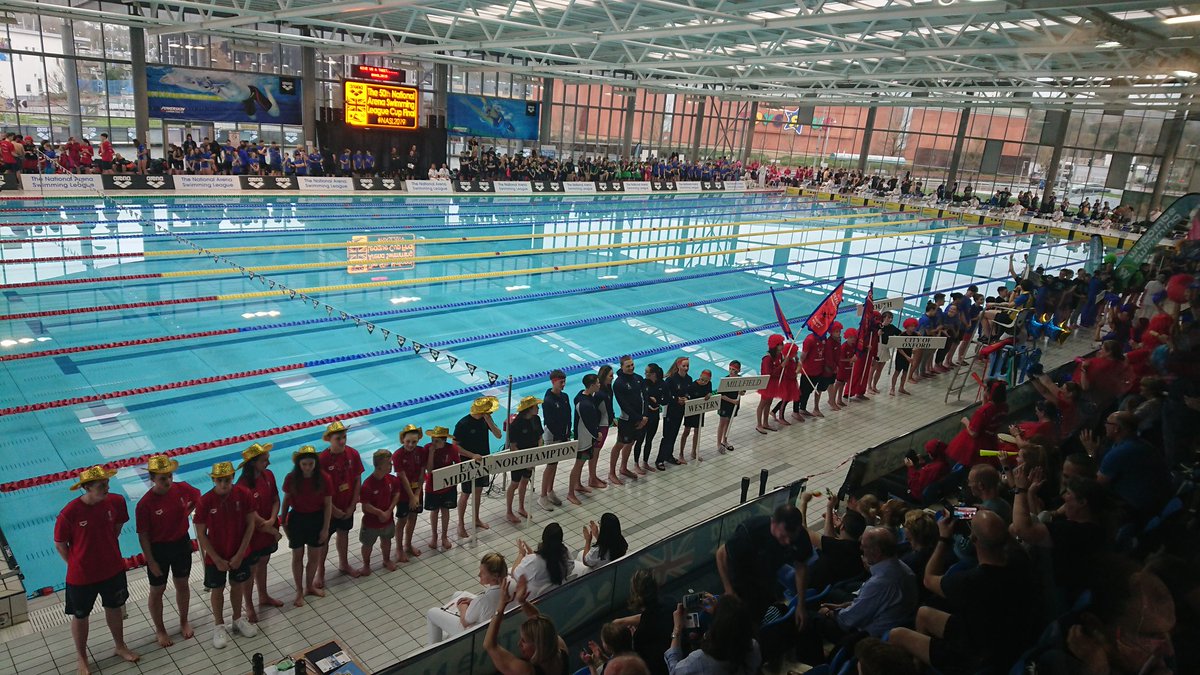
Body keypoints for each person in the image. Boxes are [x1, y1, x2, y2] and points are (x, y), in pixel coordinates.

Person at [888, 510, 1038, 673]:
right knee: (923, 613)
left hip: (977, 655)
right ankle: (921, 666)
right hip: (1003, 636)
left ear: (973, 539)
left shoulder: (969, 582)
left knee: (896, 635)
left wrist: (943, 538)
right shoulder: (1020, 560)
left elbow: (928, 579)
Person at [56, 466, 139, 674]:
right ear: (86, 488)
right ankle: (82, 658)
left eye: (107, 484)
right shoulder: (70, 513)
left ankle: (120, 646)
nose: (107, 488)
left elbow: (117, 528)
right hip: (81, 577)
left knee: (114, 607)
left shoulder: (117, 502)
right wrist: (75, 563)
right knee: (80, 615)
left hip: (112, 569)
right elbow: (60, 544)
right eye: (102, 486)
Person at [801, 528, 917, 663]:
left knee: (807, 617)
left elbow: (847, 621)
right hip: (887, 620)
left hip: (867, 636)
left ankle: (817, 663)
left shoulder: (880, 583)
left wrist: (829, 613)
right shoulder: (904, 569)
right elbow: (873, 604)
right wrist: (843, 605)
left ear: (877, 552)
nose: (861, 548)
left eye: (864, 546)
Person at [136, 455, 200, 647]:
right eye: (162, 478)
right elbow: (143, 536)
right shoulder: (145, 504)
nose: (168, 481)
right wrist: (151, 560)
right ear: (152, 479)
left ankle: (183, 621)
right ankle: (160, 629)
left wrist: (187, 512)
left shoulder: (181, 489)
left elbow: (197, 497)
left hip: (181, 544)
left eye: (170, 476)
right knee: (157, 590)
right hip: (159, 550)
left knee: (182, 584)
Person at [194, 461, 259, 649]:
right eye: (220, 480)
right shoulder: (205, 501)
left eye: (228, 480)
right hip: (216, 555)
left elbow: (250, 526)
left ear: (232, 478)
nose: (224, 484)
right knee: (217, 590)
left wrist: (240, 554)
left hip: (239, 552)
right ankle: (218, 625)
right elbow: (200, 534)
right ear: (214, 480)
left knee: (237, 585)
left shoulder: (243, 495)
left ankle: (238, 619)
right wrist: (216, 558)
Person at [716, 504, 811, 626]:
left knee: (753, 623)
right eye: (783, 536)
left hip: (764, 588)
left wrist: (800, 604)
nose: (787, 542)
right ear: (773, 523)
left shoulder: (799, 536)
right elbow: (721, 554)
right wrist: (729, 590)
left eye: (791, 538)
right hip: (738, 584)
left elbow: (801, 567)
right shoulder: (751, 531)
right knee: (730, 623)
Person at [236, 442, 285, 621]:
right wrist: (268, 526)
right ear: (253, 463)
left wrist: (272, 519)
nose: (268, 463)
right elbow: (250, 514)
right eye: (264, 460)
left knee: (264, 562)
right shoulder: (242, 486)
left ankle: (263, 595)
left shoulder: (268, 475)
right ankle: (249, 605)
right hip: (252, 533)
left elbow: (275, 499)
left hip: (267, 528)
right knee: (250, 569)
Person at [483, 576, 570, 675]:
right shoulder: (561, 650)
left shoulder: (526, 671)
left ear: (538, 645)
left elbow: (489, 645)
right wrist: (522, 601)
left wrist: (501, 605)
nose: (519, 644)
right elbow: (538, 620)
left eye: (524, 641)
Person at [1092, 411, 1171, 520]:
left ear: (1116, 428)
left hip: (1136, 508)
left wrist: (1090, 454)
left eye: (1108, 423)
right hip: (1156, 501)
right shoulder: (1141, 444)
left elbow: (1095, 485)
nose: (1105, 425)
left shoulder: (1121, 452)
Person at [282, 446, 333, 607]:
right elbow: (286, 500)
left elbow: (328, 505)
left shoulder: (324, 478)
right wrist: (283, 521)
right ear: (299, 464)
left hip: (316, 519)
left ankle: (309, 586)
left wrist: (325, 528)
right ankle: (299, 591)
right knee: (297, 557)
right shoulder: (291, 478)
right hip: (297, 519)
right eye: (304, 464)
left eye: (311, 464)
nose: (307, 467)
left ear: (315, 463)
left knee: (313, 557)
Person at [665, 594, 761, 675]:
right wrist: (718, 611)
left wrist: (677, 629)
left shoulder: (698, 660)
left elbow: (674, 671)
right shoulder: (752, 646)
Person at [426, 552, 508, 644]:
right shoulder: (509, 587)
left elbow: (465, 621)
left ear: (495, 576)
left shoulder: (482, 600)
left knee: (431, 612)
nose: (479, 574)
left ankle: (432, 649)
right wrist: (473, 602)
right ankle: (449, 636)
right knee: (458, 594)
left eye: (483, 573)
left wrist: (462, 607)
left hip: (476, 634)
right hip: (495, 625)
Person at [425, 426, 484, 550]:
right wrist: (431, 453)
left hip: (448, 486)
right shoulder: (428, 448)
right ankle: (434, 536)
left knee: (445, 511)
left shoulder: (452, 449)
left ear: (444, 441)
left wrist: (455, 483)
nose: (433, 443)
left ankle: (444, 537)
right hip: (433, 486)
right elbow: (429, 470)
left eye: (437, 441)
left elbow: (458, 466)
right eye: (432, 440)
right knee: (434, 511)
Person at [456, 396, 502, 539]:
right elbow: (455, 446)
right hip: (468, 464)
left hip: (483, 462)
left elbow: (499, 435)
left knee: (478, 491)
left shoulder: (485, 420)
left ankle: (476, 519)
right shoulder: (463, 424)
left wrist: (489, 421)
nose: (490, 414)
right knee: (466, 493)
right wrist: (471, 455)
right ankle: (460, 524)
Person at [945, 380, 1008, 466]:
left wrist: (966, 422)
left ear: (989, 392)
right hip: (990, 440)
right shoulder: (1004, 407)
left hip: (976, 445)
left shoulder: (982, 412)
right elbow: (987, 414)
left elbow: (973, 433)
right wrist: (985, 398)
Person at [358, 450, 401, 575]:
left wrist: (389, 510)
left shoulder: (391, 480)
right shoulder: (367, 485)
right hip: (371, 523)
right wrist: (380, 513)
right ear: (379, 465)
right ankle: (366, 565)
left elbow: (396, 494)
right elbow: (365, 506)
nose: (391, 466)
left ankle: (386, 560)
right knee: (367, 544)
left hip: (387, 519)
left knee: (387, 540)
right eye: (388, 463)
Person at [511, 522, 575, 600]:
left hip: (536, 599)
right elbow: (569, 566)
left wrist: (521, 554)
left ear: (543, 538)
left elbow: (514, 573)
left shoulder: (534, 561)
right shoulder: (565, 554)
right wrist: (532, 555)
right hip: (558, 596)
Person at [610, 355, 647, 485]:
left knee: (630, 442)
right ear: (621, 367)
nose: (631, 368)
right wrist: (639, 418)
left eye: (632, 365)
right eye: (628, 366)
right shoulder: (618, 383)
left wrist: (644, 416)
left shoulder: (638, 378)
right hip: (626, 420)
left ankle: (623, 468)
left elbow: (645, 397)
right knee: (619, 444)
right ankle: (611, 473)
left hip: (639, 418)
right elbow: (624, 405)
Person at [391, 424, 426, 562]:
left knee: (413, 518)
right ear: (402, 440)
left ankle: (408, 544)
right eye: (408, 442)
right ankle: (399, 549)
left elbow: (423, 474)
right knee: (402, 520)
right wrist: (412, 497)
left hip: (417, 492)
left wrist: (417, 494)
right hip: (403, 494)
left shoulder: (421, 451)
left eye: (414, 442)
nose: (411, 445)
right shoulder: (397, 455)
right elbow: (402, 477)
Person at [507, 396, 543, 523]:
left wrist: (537, 453)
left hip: (532, 457)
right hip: (518, 459)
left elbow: (540, 438)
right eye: (536, 406)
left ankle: (521, 507)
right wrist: (525, 461)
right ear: (529, 409)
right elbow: (513, 447)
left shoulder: (536, 419)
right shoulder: (516, 424)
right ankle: (509, 512)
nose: (538, 408)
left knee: (525, 481)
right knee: (514, 484)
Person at [568, 374, 603, 505]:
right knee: (578, 464)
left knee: (581, 464)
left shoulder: (585, 396)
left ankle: (577, 485)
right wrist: (596, 434)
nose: (599, 385)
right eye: (598, 383)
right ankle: (570, 493)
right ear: (592, 385)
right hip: (583, 440)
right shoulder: (584, 403)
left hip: (587, 438)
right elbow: (588, 423)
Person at [539, 370, 571, 511]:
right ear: (553, 382)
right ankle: (542, 496)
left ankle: (550, 491)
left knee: (555, 464)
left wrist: (567, 433)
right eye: (561, 382)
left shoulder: (564, 397)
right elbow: (550, 422)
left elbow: (569, 416)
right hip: (552, 436)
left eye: (564, 381)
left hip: (562, 435)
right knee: (550, 465)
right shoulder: (548, 401)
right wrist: (560, 436)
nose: (563, 384)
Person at [655, 357, 693, 470]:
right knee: (667, 436)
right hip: (670, 411)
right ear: (678, 366)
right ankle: (660, 460)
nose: (686, 368)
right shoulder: (670, 380)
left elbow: (689, 393)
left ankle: (668, 456)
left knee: (674, 434)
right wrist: (677, 399)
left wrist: (686, 398)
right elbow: (665, 396)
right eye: (684, 366)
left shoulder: (688, 379)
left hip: (680, 411)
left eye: (687, 366)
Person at [634, 363, 665, 473]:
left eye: (647, 372)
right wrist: (648, 404)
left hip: (655, 416)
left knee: (649, 440)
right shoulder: (643, 383)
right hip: (644, 416)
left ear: (654, 374)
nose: (645, 374)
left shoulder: (661, 384)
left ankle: (645, 462)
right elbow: (640, 399)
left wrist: (658, 403)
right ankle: (636, 464)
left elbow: (665, 399)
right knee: (640, 440)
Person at [679, 369, 713, 463]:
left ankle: (694, 452)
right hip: (691, 411)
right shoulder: (693, 386)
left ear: (709, 380)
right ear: (699, 376)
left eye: (706, 381)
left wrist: (709, 394)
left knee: (697, 432)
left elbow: (709, 392)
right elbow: (687, 396)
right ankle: (681, 454)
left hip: (700, 411)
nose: (703, 382)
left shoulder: (708, 384)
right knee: (686, 431)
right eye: (702, 380)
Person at [756, 334, 784, 433]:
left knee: (769, 403)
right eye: (780, 344)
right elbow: (768, 374)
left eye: (782, 344)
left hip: (774, 383)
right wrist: (781, 366)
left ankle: (765, 423)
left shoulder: (779, 355)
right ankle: (759, 425)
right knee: (762, 404)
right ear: (774, 345)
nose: (782, 346)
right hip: (766, 384)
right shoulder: (767, 359)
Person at [716, 360, 741, 453]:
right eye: (730, 369)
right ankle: (719, 444)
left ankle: (725, 441)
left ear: (738, 370)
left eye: (733, 369)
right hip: (725, 404)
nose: (731, 371)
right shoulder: (725, 380)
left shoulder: (740, 380)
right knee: (722, 423)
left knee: (728, 422)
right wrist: (733, 401)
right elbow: (721, 395)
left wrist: (741, 392)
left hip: (733, 405)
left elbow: (742, 391)